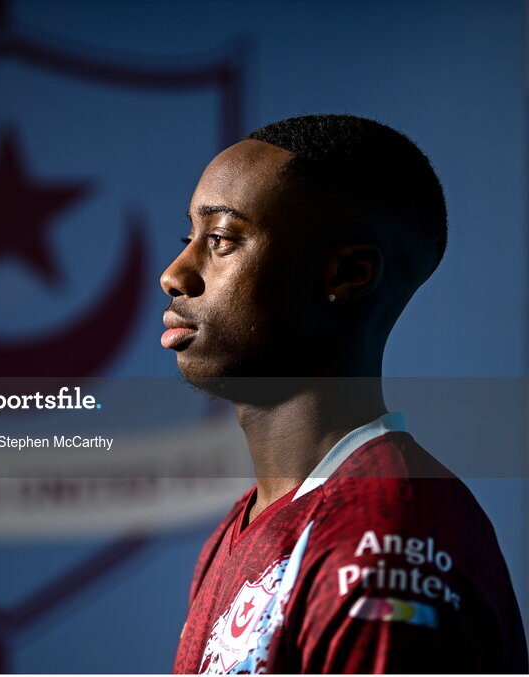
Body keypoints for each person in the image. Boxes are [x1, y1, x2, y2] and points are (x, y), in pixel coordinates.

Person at [160, 114, 527, 673]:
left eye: (221, 240)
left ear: (347, 274)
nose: (175, 274)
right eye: (189, 238)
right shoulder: (241, 528)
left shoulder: (385, 537)